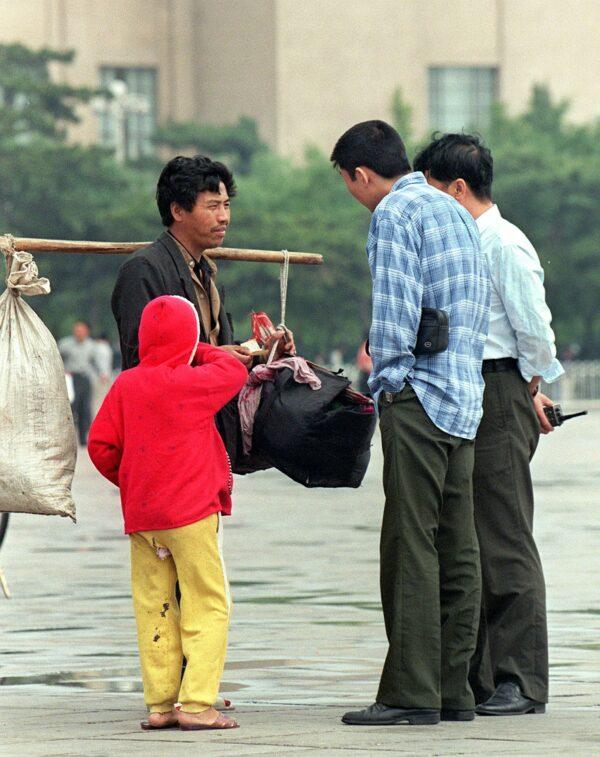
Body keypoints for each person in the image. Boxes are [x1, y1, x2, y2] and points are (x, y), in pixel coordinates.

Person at [330, 120, 490, 726]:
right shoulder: (454, 209)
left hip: (420, 397)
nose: (354, 193)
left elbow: (394, 308)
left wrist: (387, 380)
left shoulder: (395, 215)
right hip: (464, 397)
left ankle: (409, 693)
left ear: (361, 174)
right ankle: (455, 690)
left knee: (410, 543)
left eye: (350, 183)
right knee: (458, 545)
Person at [414, 133, 563, 716]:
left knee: (503, 537)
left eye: (432, 192)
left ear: (457, 188)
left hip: (500, 387)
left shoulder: (502, 243)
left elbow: (534, 327)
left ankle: (520, 680)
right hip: (467, 388)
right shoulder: (460, 242)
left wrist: (532, 382)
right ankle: (476, 677)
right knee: (467, 538)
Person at [88, 295, 248, 731]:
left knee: (154, 605)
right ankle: (197, 704)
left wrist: (136, 483)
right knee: (208, 603)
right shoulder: (193, 380)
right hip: (192, 513)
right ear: (190, 337)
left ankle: (160, 704)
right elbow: (235, 370)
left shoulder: (125, 384)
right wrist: (198, 348)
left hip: (144, 518)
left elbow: (101, 447)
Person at [111, 155, 293, 373]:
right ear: (177, 211)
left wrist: (266, 351)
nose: (224, 217)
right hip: (174, 405)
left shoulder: (204, 269)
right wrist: (212, 356)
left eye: (226, 205)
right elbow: (141, 361)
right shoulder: (144, 269)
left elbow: (217, 346)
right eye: (213, 206)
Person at [59, 320, 102, 445]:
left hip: (85, 378)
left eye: (82, 330)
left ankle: (83, 438)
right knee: (71, 408)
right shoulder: (65, 344)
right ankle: (67, 438)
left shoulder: (92, 346)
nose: (79, 333)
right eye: (77, 330)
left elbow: (96, 362)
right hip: (70, 379)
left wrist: (102, 373)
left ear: (86, 332)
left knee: (85, 408)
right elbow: (58, 358)